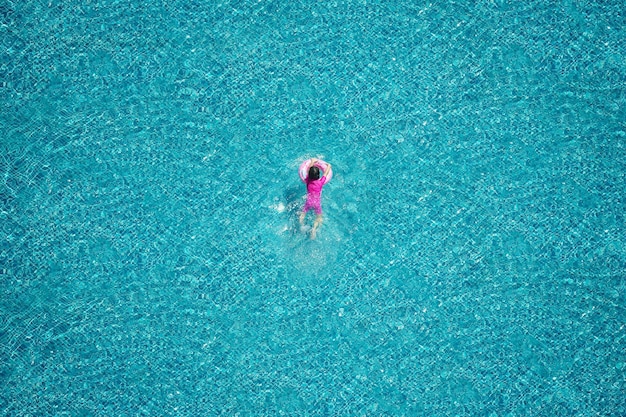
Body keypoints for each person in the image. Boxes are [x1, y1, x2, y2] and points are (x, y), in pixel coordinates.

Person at [299, 158, 332, 239]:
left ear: (309, 174)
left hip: (308, 201)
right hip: (317, 203)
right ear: (318, 176)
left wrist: (312, 162)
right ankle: (313, 229)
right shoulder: (321, 182)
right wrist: (328, 166)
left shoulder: (307, 180)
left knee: (303, 213)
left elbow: (307, 171)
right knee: (319, 217)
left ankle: (302, 225)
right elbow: (326, 173)